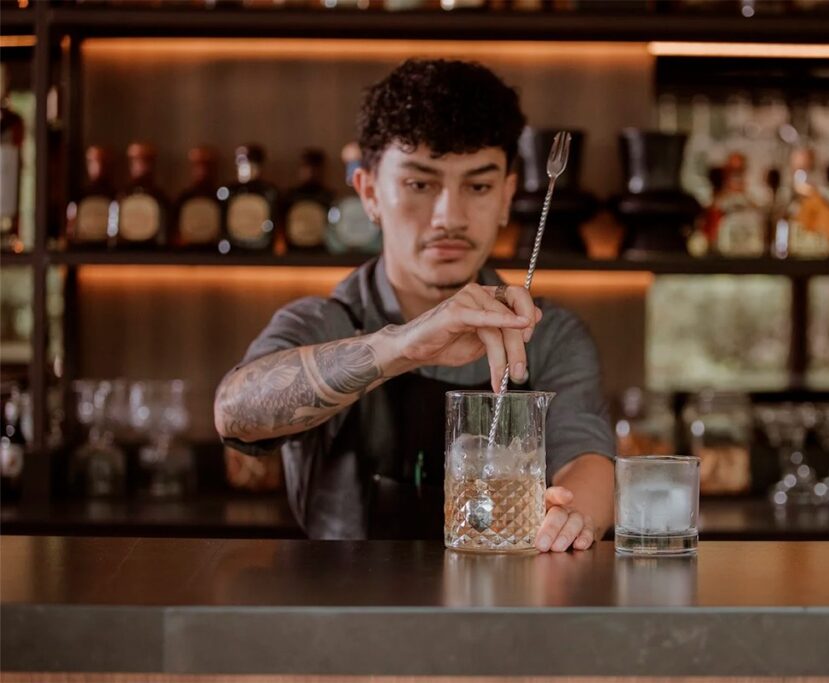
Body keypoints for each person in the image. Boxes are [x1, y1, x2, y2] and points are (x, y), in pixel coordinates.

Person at [214, 59, 615, 551]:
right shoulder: (322, 321)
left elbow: (588, 458)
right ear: (369, 193)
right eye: (420, 184)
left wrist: (575, 516)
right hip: (344, 612)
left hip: (503, 612)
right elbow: (235, 413)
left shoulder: (549, 334)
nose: (449, 216)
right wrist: (405, 345)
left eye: (479, 185)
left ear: (509, 195)